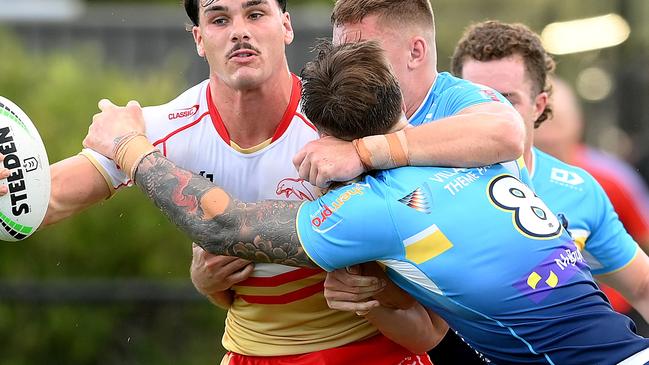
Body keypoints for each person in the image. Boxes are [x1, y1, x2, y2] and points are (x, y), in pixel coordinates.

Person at [83, 39, 649, 365]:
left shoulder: (371, 209)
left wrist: (132, 150)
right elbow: (501, 126)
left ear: (320, 132)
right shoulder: (469, 142)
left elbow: (225, 227)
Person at [26, 0, 528, 363]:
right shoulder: (161, 129)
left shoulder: (343, 119)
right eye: (219, 18)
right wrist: (12, 180)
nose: (239, 31)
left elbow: (427, 329)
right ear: (199, 38)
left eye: (256, 13)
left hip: (371, 351)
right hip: (249, 353)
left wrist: (387, 289)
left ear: (286, 26)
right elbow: (40, 200)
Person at [533, 76, 649, 319]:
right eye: (544, 121)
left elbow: (644, 235)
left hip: (614, 313)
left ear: (578, 121)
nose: (549, 132)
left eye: (558, 120)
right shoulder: (498, 180)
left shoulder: (611, 176)